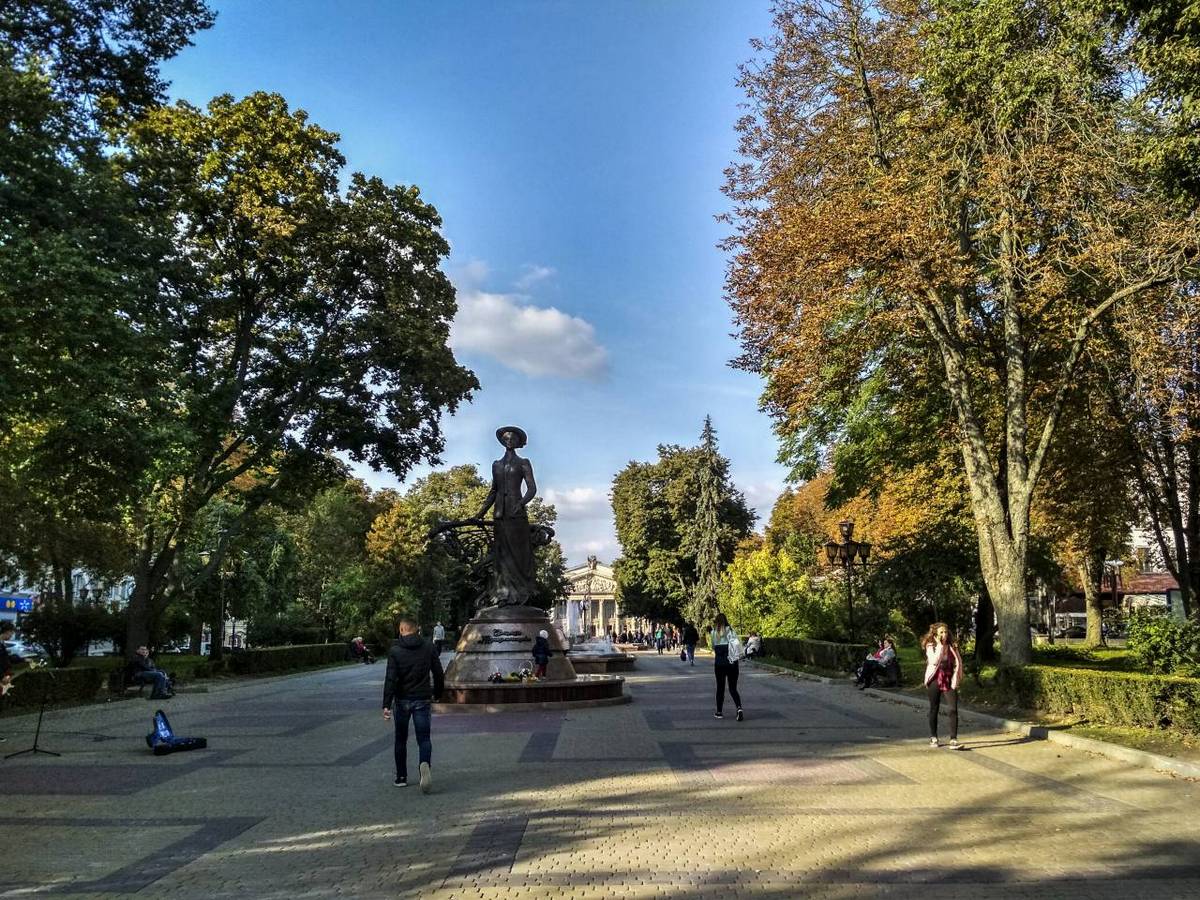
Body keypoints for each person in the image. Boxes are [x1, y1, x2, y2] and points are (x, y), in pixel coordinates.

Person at [475, 426, 538, 605]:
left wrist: (521, 503)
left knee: (517, 554)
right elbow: (493, 491)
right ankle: (502, 595)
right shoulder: (496, 464)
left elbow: (532, 488)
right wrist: (480, 514)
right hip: (499, 513)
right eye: (506, 438)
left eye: (513, 438)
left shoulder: (523, 462)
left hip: (516, 514)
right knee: (501, 555)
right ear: (503, 442)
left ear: (518, 442)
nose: (509, 441)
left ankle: (519, 594)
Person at [382, 618, 445, 792]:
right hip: (422, 698)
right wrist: (438, 693)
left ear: (401, 630)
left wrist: (386, 704)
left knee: (400, 739)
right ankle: (424, 764)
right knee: (424, 738)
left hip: (402, 700)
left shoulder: (395, 651)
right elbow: (438, 673)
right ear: (417, 629)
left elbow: (390, 678)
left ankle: (401, 777)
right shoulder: (428, 647)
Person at [922, 623, 963, 749]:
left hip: (948, 679)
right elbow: (934, 661)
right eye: (941, 632)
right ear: (935, 634)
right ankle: (933, 737)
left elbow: (959, 662)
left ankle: (953, 739)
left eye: (945, 632)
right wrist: (940, 645)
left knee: (953, 708)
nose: (944, 634)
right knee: (934, 708)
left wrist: (958, 676)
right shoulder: (931, 646)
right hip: (935, 679)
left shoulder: (952, 646)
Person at [710, 613, 744, 721]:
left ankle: (719, 712)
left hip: (719, 664)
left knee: (720, 688)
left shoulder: (713, 633)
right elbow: (737, 644)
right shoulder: (732, 631)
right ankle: (739, 708)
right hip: (732, 663)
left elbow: (713, 647)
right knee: (733, 688)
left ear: (717, 622)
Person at [0, 622, 13, 740]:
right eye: (11, 633)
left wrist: (23, 659)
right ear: (7, 631)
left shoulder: (2, 644)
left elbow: (6, 659)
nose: (12, 635)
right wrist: (1, 676)